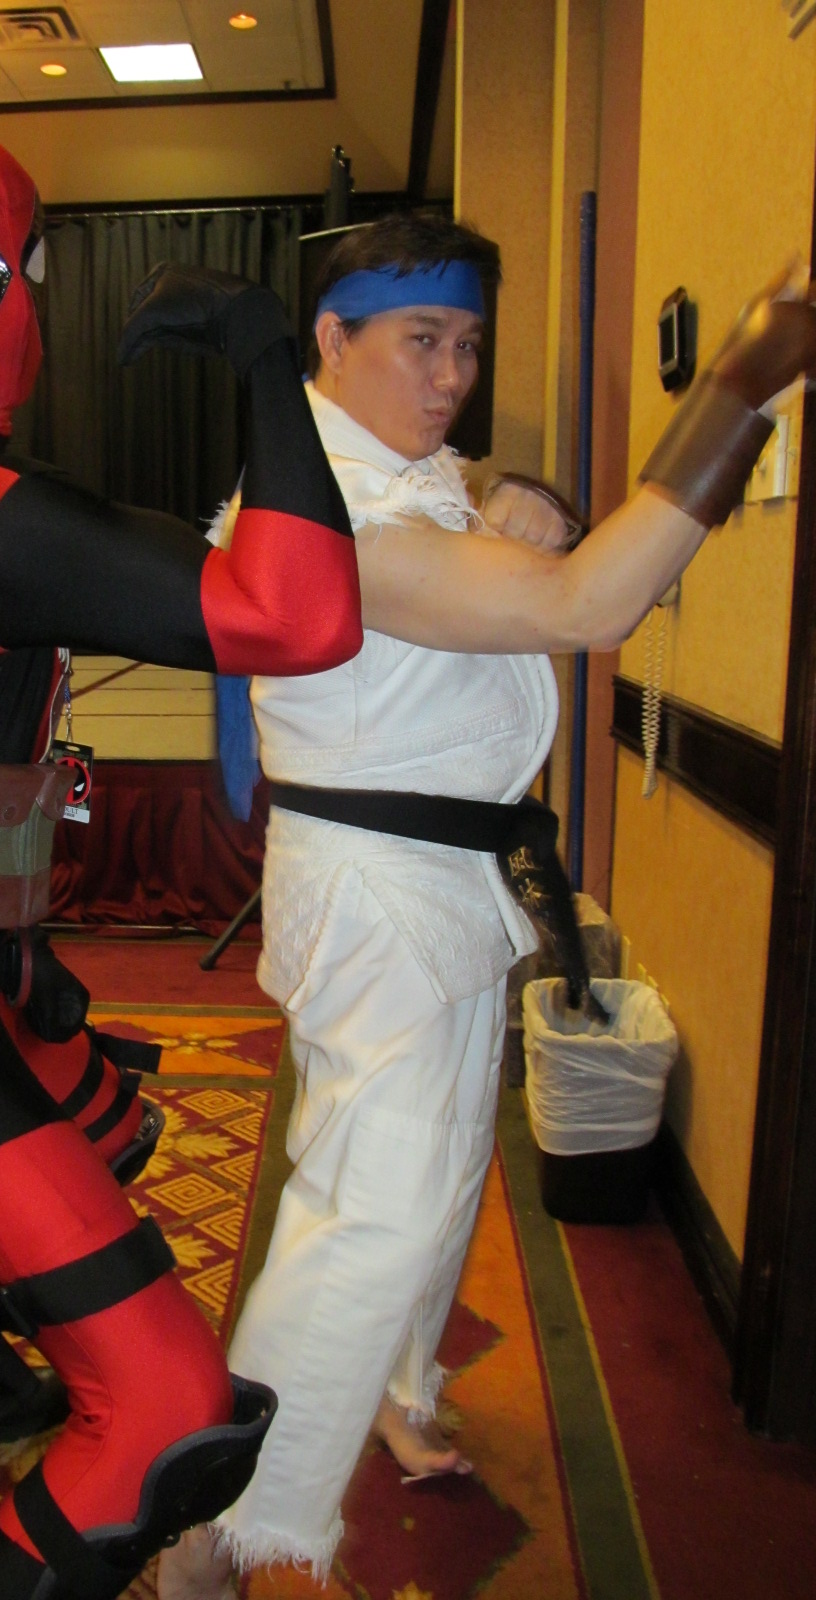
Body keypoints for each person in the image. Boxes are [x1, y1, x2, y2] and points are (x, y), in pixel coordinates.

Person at [157, 213, 816, 1595]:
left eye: (466, 343)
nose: (452, 375)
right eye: (421, 342)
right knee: (373, 1207)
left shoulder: (397, 470)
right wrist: (744, 383)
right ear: (331, 341)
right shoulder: (329, 521)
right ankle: (217, 1520)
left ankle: (397, 1390)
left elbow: (479, 504)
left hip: (442, 882)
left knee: (442, 1164)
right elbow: (584, 605)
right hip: (381, 896)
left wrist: (516, 485)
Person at [0, 124, 369, 1600]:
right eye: (12, 260)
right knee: (169, 1414)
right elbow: (301, 616)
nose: (26, 298)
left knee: (114, 1128)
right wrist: (264, 358)